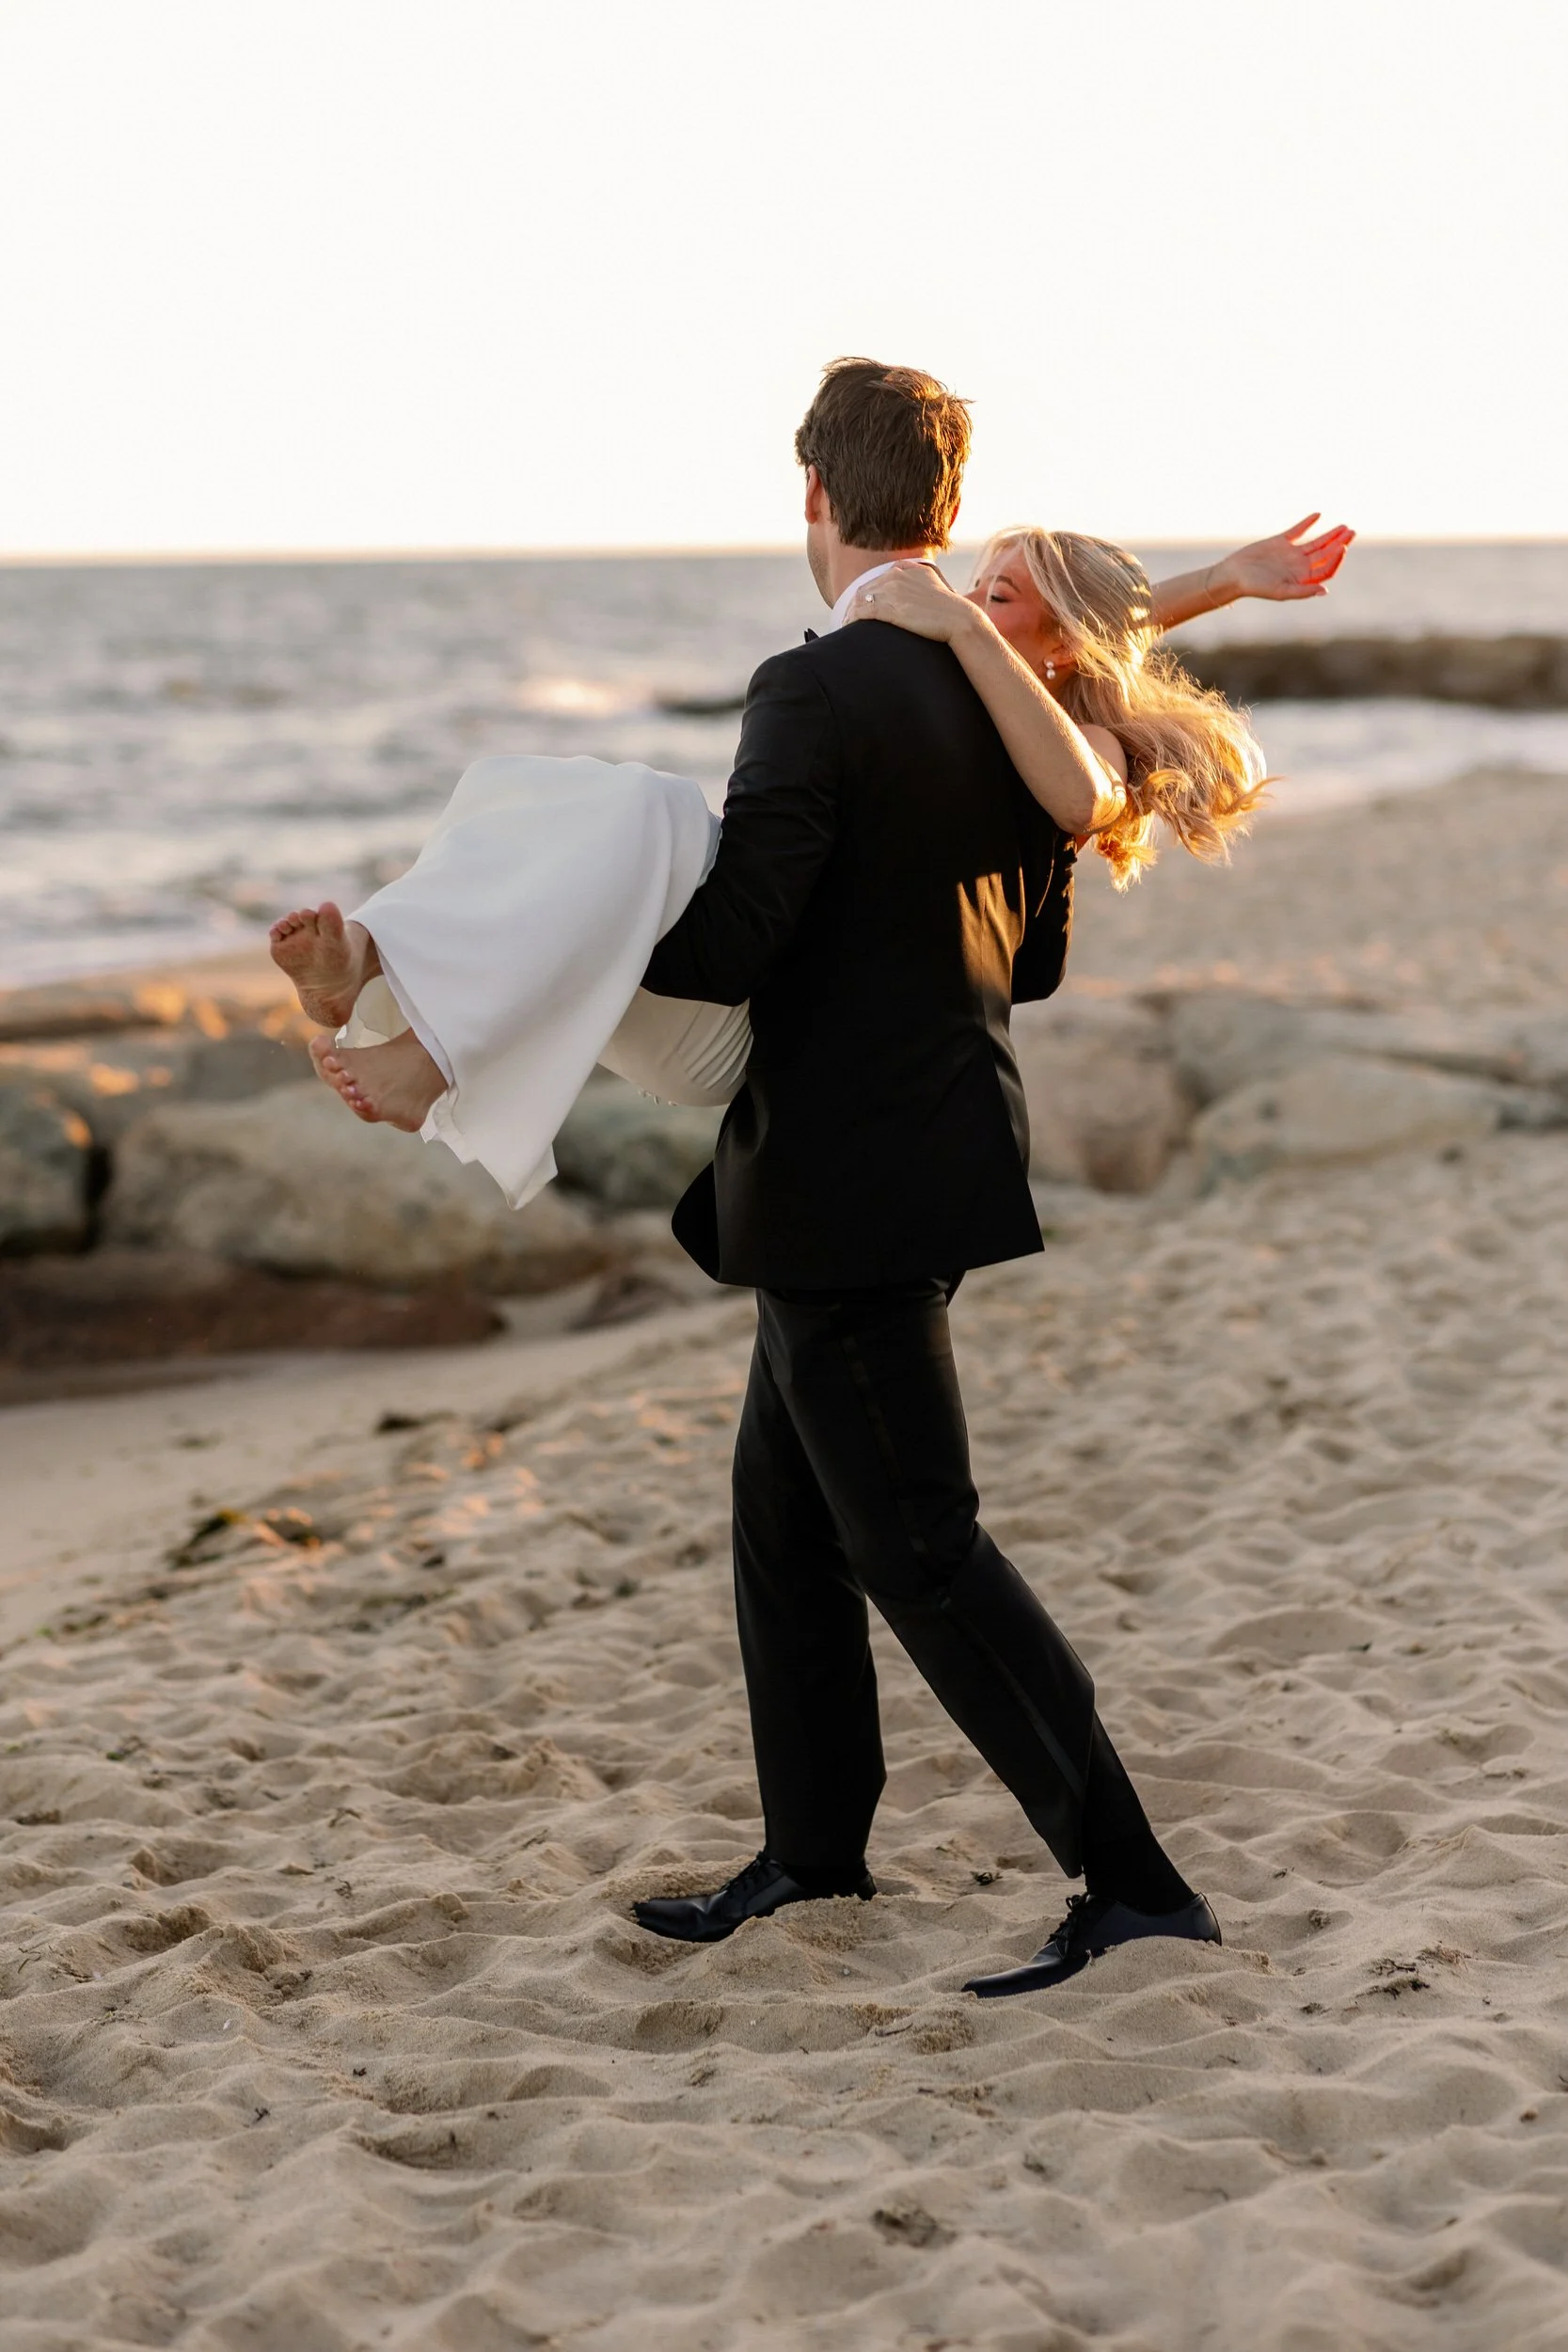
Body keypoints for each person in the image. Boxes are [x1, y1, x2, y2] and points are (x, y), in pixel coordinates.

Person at [269, 508, 1349, 1206]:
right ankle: (370, 968)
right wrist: (1222, 576)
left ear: (1051, 642)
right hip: (724, 1020)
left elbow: (1076, 766)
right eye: (971, 586)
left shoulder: (1072, 738)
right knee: (541, 793)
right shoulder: (979, 686)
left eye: (994, 596)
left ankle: (428, 1059)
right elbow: (1070, 622)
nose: (965, 603)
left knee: (641, 813)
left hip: (750, 1035)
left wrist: (989, 630)